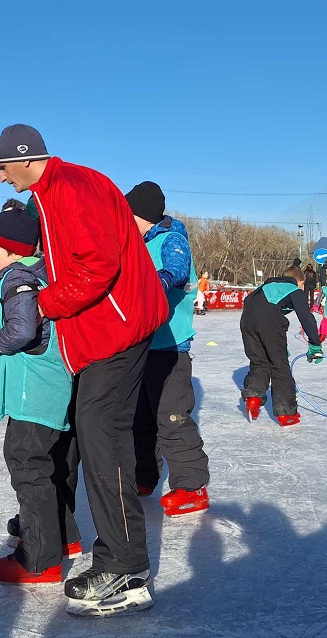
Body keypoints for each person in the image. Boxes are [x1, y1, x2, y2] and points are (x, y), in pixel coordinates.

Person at [0, 124, 168, 617]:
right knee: (88, 431)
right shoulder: (52, 191)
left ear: (25, 159)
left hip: (120, 326)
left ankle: (126, 569)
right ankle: (67, 536)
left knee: (101, 434)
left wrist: (43, 303)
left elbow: (97, 265)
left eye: (3, 168)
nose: (3, 179)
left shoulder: (70, 188)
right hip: (105, 332)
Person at [0, 208, 78, 584]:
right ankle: (65, 538)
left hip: (34, 390)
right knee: (49, 463)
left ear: (14, 250)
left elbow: (19, 331)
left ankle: (39, 559)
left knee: (27, 464)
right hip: (42, 387)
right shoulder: (32, 272)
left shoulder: (19, 279)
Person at [126, 182, 210, 517]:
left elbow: (175, 269)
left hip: (170, 345)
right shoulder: (138, 242)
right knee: (141, 417)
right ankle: (144, 476)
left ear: (142, 215)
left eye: (128, 214)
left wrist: (158, 280)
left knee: (172, 417)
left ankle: (192, 486)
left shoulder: (171, 237)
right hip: (142, 344)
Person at [239, 265, 322, 426]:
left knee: (259, 362)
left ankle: (253, 398)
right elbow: (306, 317)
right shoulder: (293, 289)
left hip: (246, 321)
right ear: (300, 282)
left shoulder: (264, 287)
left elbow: (258, 307)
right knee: (280, 366)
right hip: (267, 322)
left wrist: (274, 341)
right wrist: (315, 343)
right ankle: (286, 413)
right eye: (303, 285)